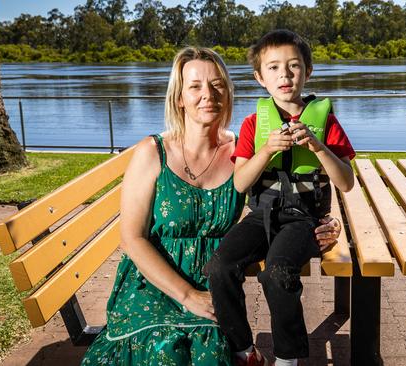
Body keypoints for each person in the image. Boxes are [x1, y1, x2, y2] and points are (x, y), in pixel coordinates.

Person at [81, 46, 342, 365]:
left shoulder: (246, 152)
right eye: (195, 86)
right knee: (161, 353)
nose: (208, 94)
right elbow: (132, 239)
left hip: (215, 285)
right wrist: (187, 296)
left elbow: (278, 207)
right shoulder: (153, 152)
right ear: (179, 97)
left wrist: (320, 224)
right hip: (155, 284)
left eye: (217, 84)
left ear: (229, 92)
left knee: (211, 354)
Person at [205, 30, 355, 366]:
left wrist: (317, 146)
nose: (284, 75)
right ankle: (243, 348)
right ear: (260, 77)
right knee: (218, 266)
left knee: (277, 272)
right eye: (273, 68)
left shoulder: (326, 122)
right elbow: (241, 184)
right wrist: (267, 150)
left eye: (293, 66)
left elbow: (346, 183)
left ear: (308, 70)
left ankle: (288, 357)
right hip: (261, 215)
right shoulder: (253, 124)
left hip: (303, 219)